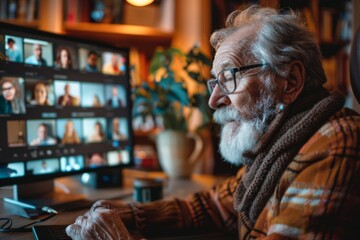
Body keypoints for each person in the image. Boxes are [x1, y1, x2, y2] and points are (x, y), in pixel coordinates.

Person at [66, 5, 360, 239]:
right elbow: (217, 207)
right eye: (215, 82)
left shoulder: (335, 144)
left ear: (290, 81)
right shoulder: (279, 144)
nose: (214, 99)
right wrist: (129, 213)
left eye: (230, 77)